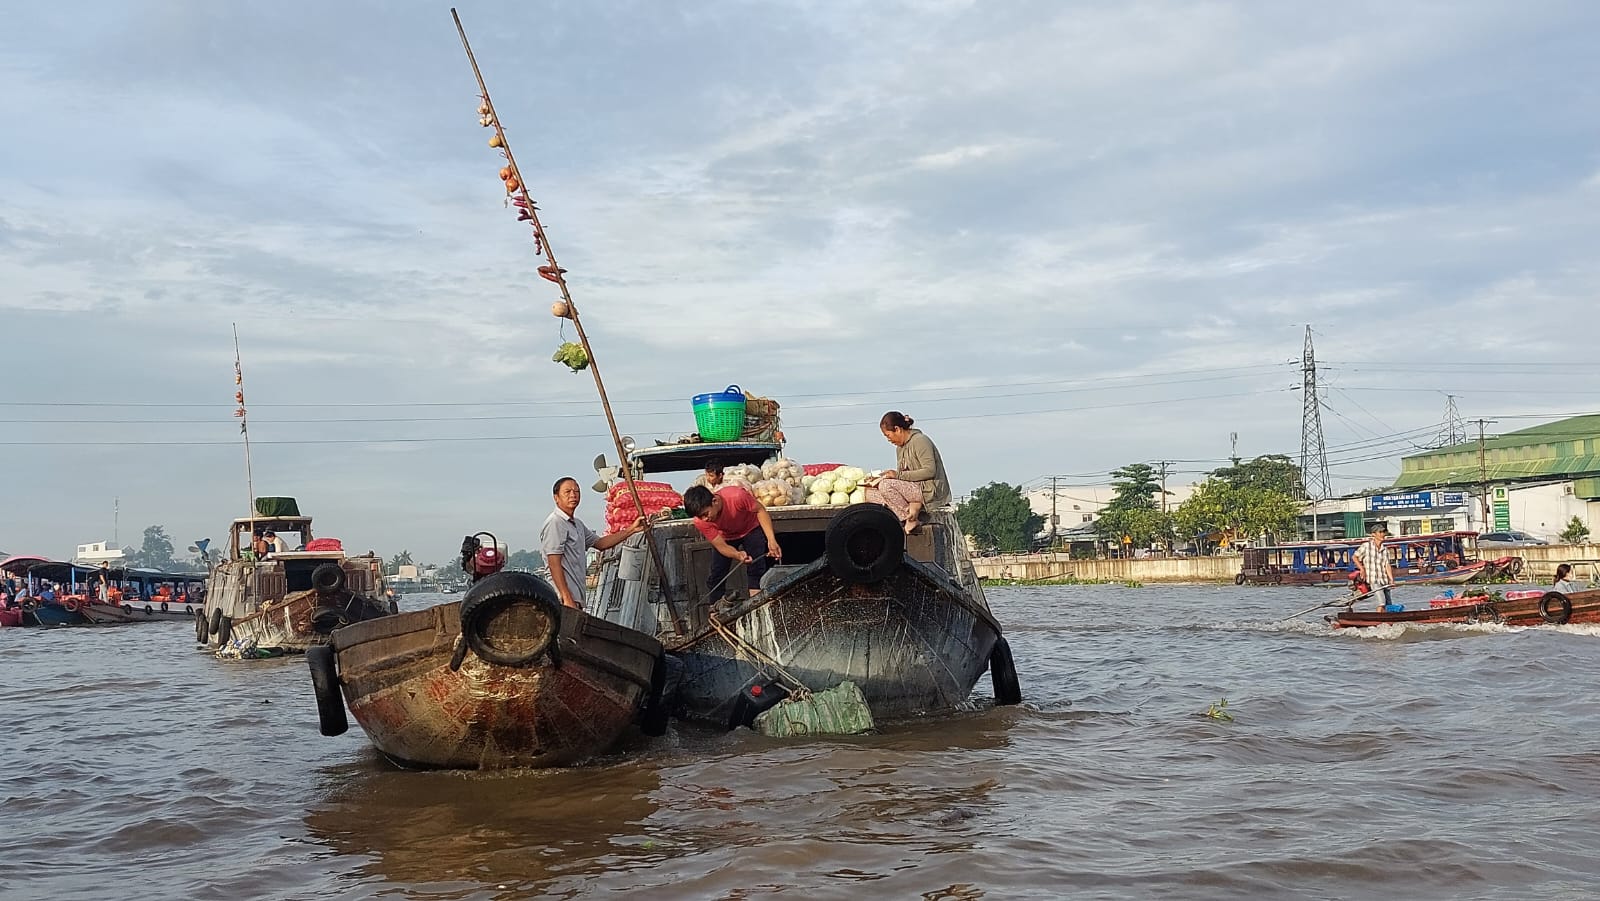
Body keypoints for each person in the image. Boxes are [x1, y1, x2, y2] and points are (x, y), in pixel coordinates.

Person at [541, 477, 645, 611]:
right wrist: (566, 597)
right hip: (562, 600)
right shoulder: (555, 522)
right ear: (556, 497)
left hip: (576, 597)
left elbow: (600, 543)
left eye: (576, 491)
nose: (573, 495)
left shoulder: (577, 524)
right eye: (567, 492)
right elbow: (553, 562)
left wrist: (631, 530)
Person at [683, 483, 781, 605]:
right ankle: (715, 611)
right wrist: (737, 555)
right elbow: (721, 546)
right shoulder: (700, 522)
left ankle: (757, 603)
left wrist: (771, 540)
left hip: (750, 528)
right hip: (726, 536)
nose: (704, 519)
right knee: (717, 573)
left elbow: (760, 510)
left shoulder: (737, 496)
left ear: (714, 501)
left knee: (756, 567)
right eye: (700, 516)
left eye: (705, 514)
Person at [871, 411, 952, 535]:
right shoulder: (900, 449)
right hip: (913, 488)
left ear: (897, 429)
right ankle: (912, 510)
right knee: (869, 494)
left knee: (885, 486)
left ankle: (909, 518)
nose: (888, 440)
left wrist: (896, 475)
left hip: (929, 489)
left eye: (888, 435)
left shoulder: (920, 441)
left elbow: (930, 471)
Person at [1353, 523, 1396, 609]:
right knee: (1381, 602)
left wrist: (1391, 580)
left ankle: (1387, 618)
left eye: (1383, 532)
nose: (1382, 534)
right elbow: (1355, 557)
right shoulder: (1366, 546)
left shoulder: (1385, 550)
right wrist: (1362, 569)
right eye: (1380, 532)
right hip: (1373, 579)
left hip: (1384, 579)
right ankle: (1379, 620)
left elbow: (1387, 565)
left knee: (1389, 603)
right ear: (1373, 534)